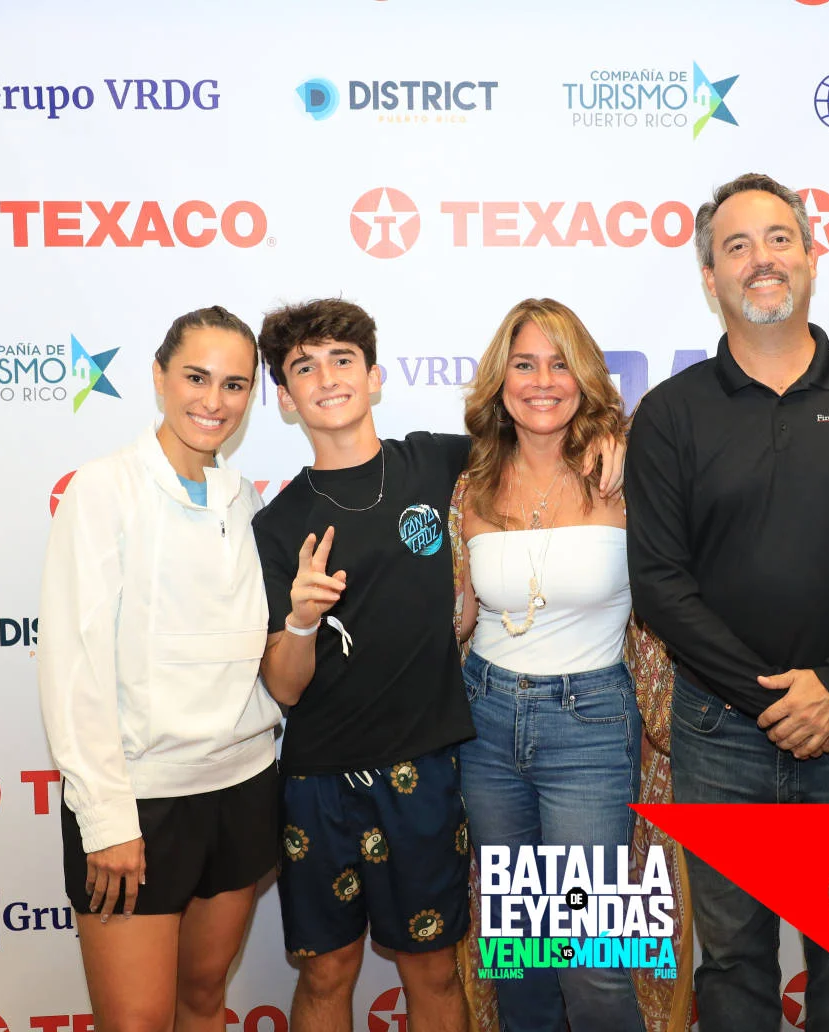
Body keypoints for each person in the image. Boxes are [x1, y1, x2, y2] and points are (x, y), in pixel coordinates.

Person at [250, 298, 625, 1032]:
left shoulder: (440, 463)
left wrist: (614, 430)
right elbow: (284, 688)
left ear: (375, 376)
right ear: (286, 399)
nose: (327, 379)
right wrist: (301, 619)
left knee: (488, 963)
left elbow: (540, 425)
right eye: (304, 368)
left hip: (438, 765)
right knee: (335, 972)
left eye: (342, 360)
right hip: (331, 774)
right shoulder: (276, 523)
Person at [626, 174, 829, 1032]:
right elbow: (660, 583)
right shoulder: (670, 414)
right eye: (736, 246)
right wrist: (773, 699)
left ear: (811, 256)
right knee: (732, 961)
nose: (760, 259)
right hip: (719, 734)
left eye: (778, 239)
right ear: (709, 277)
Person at [448, 298, 689, 1032]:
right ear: (500, 380)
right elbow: (460, 614)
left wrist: (625, 439)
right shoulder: (471, 485)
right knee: (518, 955)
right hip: (486, 724)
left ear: (585, 378)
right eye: (524, 364)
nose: (542, 381)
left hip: (591, 727)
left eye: (560, 365)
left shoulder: (626, 475)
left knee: (593, 960)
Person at [39, 306, 281, 1032]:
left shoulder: (245, 498)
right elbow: (74, 666)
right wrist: (106, 817)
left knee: (204, 998)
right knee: (137, 1022)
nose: (214, 401)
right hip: (140, 801)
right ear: (158, 376)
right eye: (196, 378)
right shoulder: (102, 489)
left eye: (234, 385)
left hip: (242, 786)